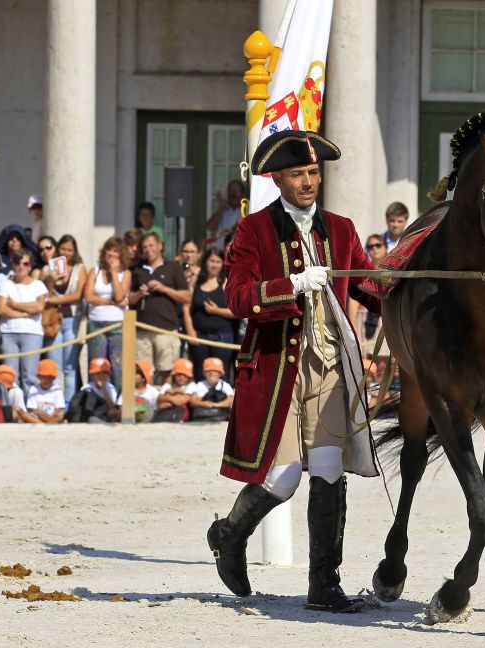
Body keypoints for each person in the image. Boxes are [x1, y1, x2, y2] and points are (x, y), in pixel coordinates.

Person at [209, 129, 380, 613]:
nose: (308, 182)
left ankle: (324, 586)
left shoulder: (342, 229)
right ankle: (228, 535)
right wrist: (293, 284)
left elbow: (368, 285)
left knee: (328, 470)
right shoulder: (254, 230)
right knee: (283, 477)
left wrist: (415, 283)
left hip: (328, 365)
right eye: (297, 174)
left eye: (312, 172)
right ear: (278, 179)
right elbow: (239, 297)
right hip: (276, 369)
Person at [129, 233, 190, 384]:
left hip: (166, 328)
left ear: (160, 246)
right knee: (143, 373)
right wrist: (138, 293)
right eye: (144, 247)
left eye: (151, 245)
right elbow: (128, 298)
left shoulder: (173, 268)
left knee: (167, 372)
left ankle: (165, 404)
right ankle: (147, 405)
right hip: (142, 330)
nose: (148, 249)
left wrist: (164, 289)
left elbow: (186, 297)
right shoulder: (136, 269)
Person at [0, 248, 47, 392]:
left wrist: (14, 304)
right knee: (10, 376)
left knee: (30, 375)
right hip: (8, 333)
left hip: (32, 333)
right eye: (18, 263)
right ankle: (12, 410)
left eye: (25, 263)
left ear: (30, 266)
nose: (21, 266)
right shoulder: (5, 284)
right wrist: (24, 314)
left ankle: (29, 409)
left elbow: (39, 307)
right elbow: (0, 309)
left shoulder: (38, 285)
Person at [43, 234, 87, 402]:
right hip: (53, 320)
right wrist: (51, 281)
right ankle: (56, 402)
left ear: (74, 251)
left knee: (70, 367)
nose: (66, 253)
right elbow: (43, 295)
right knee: (55, 365)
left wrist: (55, 300)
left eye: (69, 250)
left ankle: (68, 403)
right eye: (63, 249)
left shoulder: (79, 268)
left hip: (72, 319)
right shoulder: (48, 269)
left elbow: (78, 295)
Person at [183, 247, 235, 382]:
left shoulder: (227, 283)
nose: (214, 265)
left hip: (222, 337)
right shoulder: (197, 281)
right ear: (205, 262)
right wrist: (190, 331)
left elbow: (237, 312)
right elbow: (186, 306)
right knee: (200, 377)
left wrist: (216, 311)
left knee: (221, 377)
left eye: (218, 262)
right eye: (211, 261)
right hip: (199, 337)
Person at [85, 237, 130, 389]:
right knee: (97, 363)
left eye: (115, 251)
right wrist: (110, 302)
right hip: (96, 323)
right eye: (108, 249)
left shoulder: (126, 274)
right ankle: (98, 398)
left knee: (118, 364)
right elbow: (89, 297)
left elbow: (120, 296)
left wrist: (114, 273)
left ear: (121, 255)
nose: (111, 254)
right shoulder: (95, 271)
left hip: (118, 324)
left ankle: (117, 401)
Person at [347, 233, 388, 358]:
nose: (374, 249)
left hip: (384, 320)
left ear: (385, 247)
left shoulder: (394, 270)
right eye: (370, 247)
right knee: (365, 365)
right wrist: (352, 327)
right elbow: (355, 299)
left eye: (378, 245)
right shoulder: (363, 270)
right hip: (363, 319)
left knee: (383, 363)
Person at [22, 359, 65, 424]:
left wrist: (52, 416)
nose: (47, 380)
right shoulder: (33, 389)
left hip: (52, 416)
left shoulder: (57, 389)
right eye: (44, 377)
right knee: (25, 415)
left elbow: (58, 408)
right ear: (39, 376)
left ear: (54, 378)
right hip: (38, 416)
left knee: (61, 415)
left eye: (50, 377)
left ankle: (46, 423)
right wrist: (44, 416)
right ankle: (44, 423)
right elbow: (33, 409)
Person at [208, 179, 245, 248]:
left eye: (236, 191)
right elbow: (210, 227)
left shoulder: (246, 210)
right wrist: (221, 207)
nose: (233, 194)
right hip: (220, 250)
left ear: (242, 194)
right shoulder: (223, 209)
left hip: (237, 250)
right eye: (231, 191)